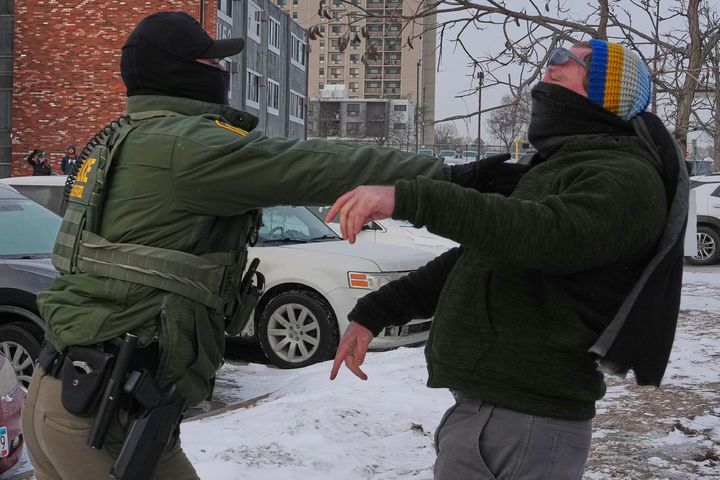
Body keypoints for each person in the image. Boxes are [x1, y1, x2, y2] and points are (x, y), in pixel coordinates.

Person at [20, 11, 512, 480]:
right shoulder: (187, 147)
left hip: (67, 392)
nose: (222, 69)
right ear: (178, 71)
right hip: (105, 413)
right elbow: (315, 165)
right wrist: (450, 177)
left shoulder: (124, 135)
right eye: (211, 60)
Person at [327, 39, 688, 479]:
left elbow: (545, 235)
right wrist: (376, 312)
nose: (554, 61)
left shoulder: (626, 177)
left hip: (527, 423)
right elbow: (484, 258)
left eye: (577, 60)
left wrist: (410, 198)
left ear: (610, 92)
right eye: (556, 53)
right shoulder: (560, 166)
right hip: (495, 415)